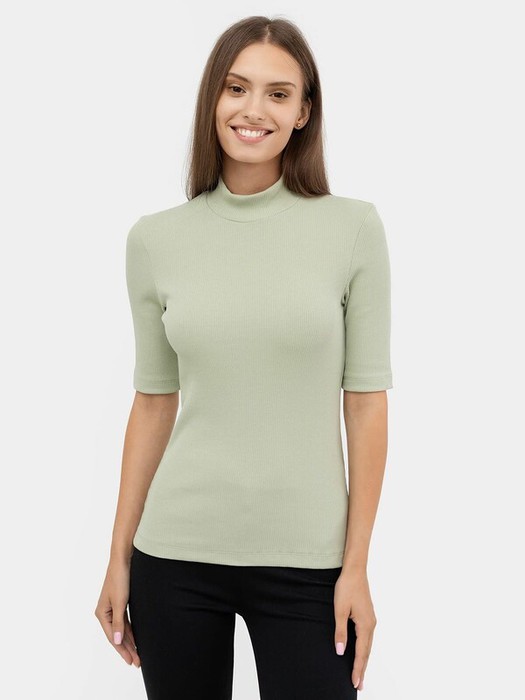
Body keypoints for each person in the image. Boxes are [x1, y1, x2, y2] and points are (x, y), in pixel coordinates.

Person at [94, 15, 393, 700]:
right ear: (213, 100)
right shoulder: (155, 241)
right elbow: (153, 402)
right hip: (174, 555)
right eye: (236, 88)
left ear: (303, 112)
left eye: (278, 94)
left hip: (309, 561)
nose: (253, 109)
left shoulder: (352, 229)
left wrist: (355, 566)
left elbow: (365, 403)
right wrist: (117, 558)